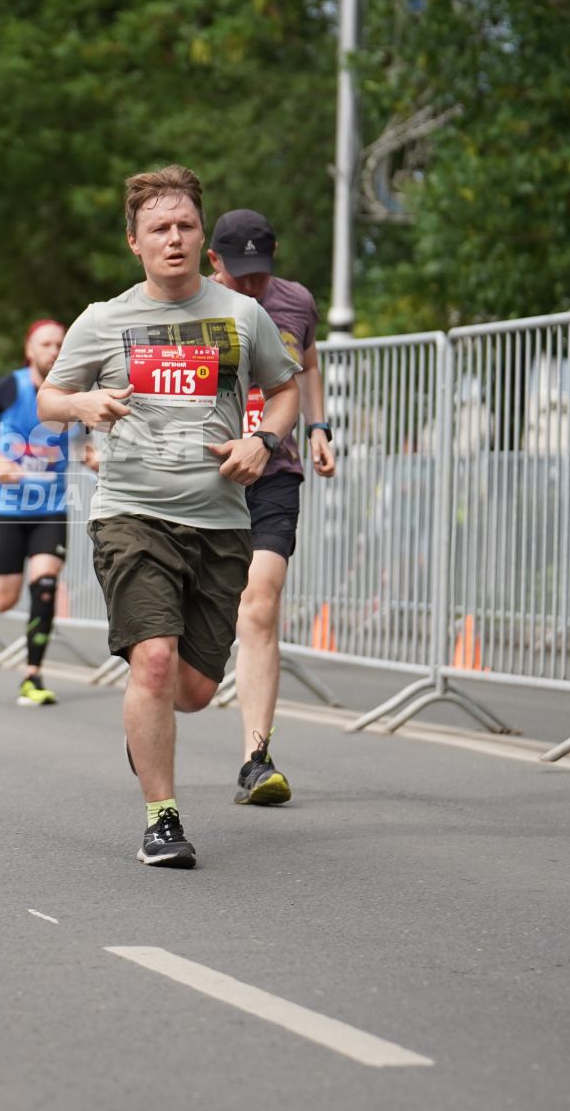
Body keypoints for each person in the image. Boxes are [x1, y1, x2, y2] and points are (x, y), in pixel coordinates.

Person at [39, 165, 299, 869]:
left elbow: (285, 390)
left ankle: (144, 725)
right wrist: (82, 404)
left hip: (218, 521)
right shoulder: (106, 319)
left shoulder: (244, 317)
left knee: (192, 690)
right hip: (133, 514)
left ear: (201, 237)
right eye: (160, 228)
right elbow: (49, 398)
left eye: (186, 225)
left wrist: (263, 440)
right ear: (135, 242)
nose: (174, 238)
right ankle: (162, 819)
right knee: (153, 662)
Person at [207, 209, 337, 805]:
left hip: (276, 471)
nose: (253, 285)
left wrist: (318, 426)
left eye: (261, 272)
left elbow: (306, 362)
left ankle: (255, 760)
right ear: (216, 263)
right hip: (206, 476)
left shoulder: (297, 301)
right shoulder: (192, 307)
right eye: (241, 275)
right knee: (194, 623)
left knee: (259, 604)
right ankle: (150, 700)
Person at [0, 319, 99, 706]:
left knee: (45, 585)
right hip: (6, 507)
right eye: (46, 344)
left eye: (60, 344)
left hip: (49, 508)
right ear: (30, 350)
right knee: (5, 598)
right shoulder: (11, 388)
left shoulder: (73, 396)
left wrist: (93, 459)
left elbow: (81, 443)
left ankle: (32, 675)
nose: (54, 351)